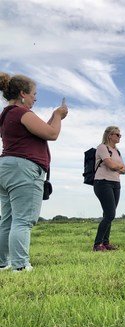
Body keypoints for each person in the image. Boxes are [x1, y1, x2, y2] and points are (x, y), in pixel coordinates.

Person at [0, 72, 68, 272]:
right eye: (34, 94)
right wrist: (57, 115)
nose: (35, 98)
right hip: (24, 168)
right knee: (22, 220)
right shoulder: (21, 113)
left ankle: (3, 263)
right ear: (23, 93)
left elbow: (40, 131)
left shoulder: (6, 114)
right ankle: (20, 266)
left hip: (6, 167)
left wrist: (52, 118)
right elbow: (52, 133)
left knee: (8, 219)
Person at [93, 126, 125, 251]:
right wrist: (117, 166)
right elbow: (110, 165)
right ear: (109, 135)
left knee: (108, 214)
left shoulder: (117, 151)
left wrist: (116, 166)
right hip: (103, 182)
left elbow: (124, 170)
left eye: (120, 135)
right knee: (110, 214)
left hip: (116, 183)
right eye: (117, 134)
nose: (119, 137)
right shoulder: (102, 148)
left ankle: (105, 243)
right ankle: (97, 244)